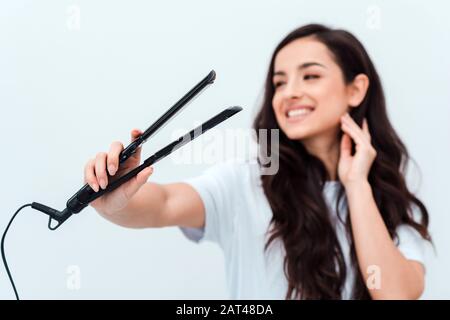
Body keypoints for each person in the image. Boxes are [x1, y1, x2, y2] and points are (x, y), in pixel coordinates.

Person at [83, 24, 432, 299]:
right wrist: (115, 201)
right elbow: (163, 204)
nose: (289, 92)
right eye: (279, 83)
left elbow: (395, 295)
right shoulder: (247, 181)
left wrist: (356, 185)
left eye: (310, 76)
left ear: (355, 89)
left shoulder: (387, 196)